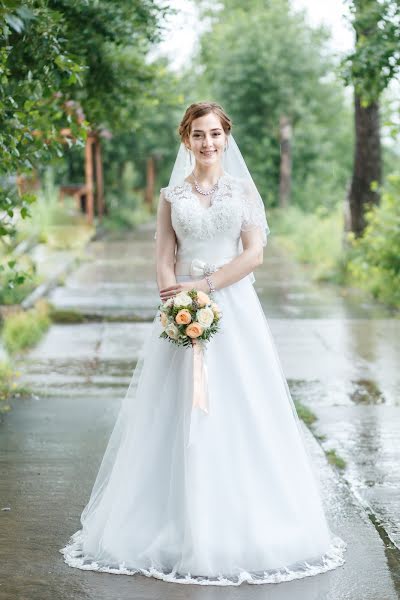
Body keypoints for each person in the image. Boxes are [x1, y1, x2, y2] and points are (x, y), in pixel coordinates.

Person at [60, 101, 346, 586]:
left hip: (234, 311)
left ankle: (243, 524)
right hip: (181, 311)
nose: (207, 143)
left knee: (241, 408)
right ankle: (172, 522)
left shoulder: (243, 191)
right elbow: (164, 254)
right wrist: (174, 301)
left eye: (215, 134)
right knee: (174, 413)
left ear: (226, 137)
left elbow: (254, 254)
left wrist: (204, 289)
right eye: (198, 135)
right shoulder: (173, 195)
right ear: (186, 139)